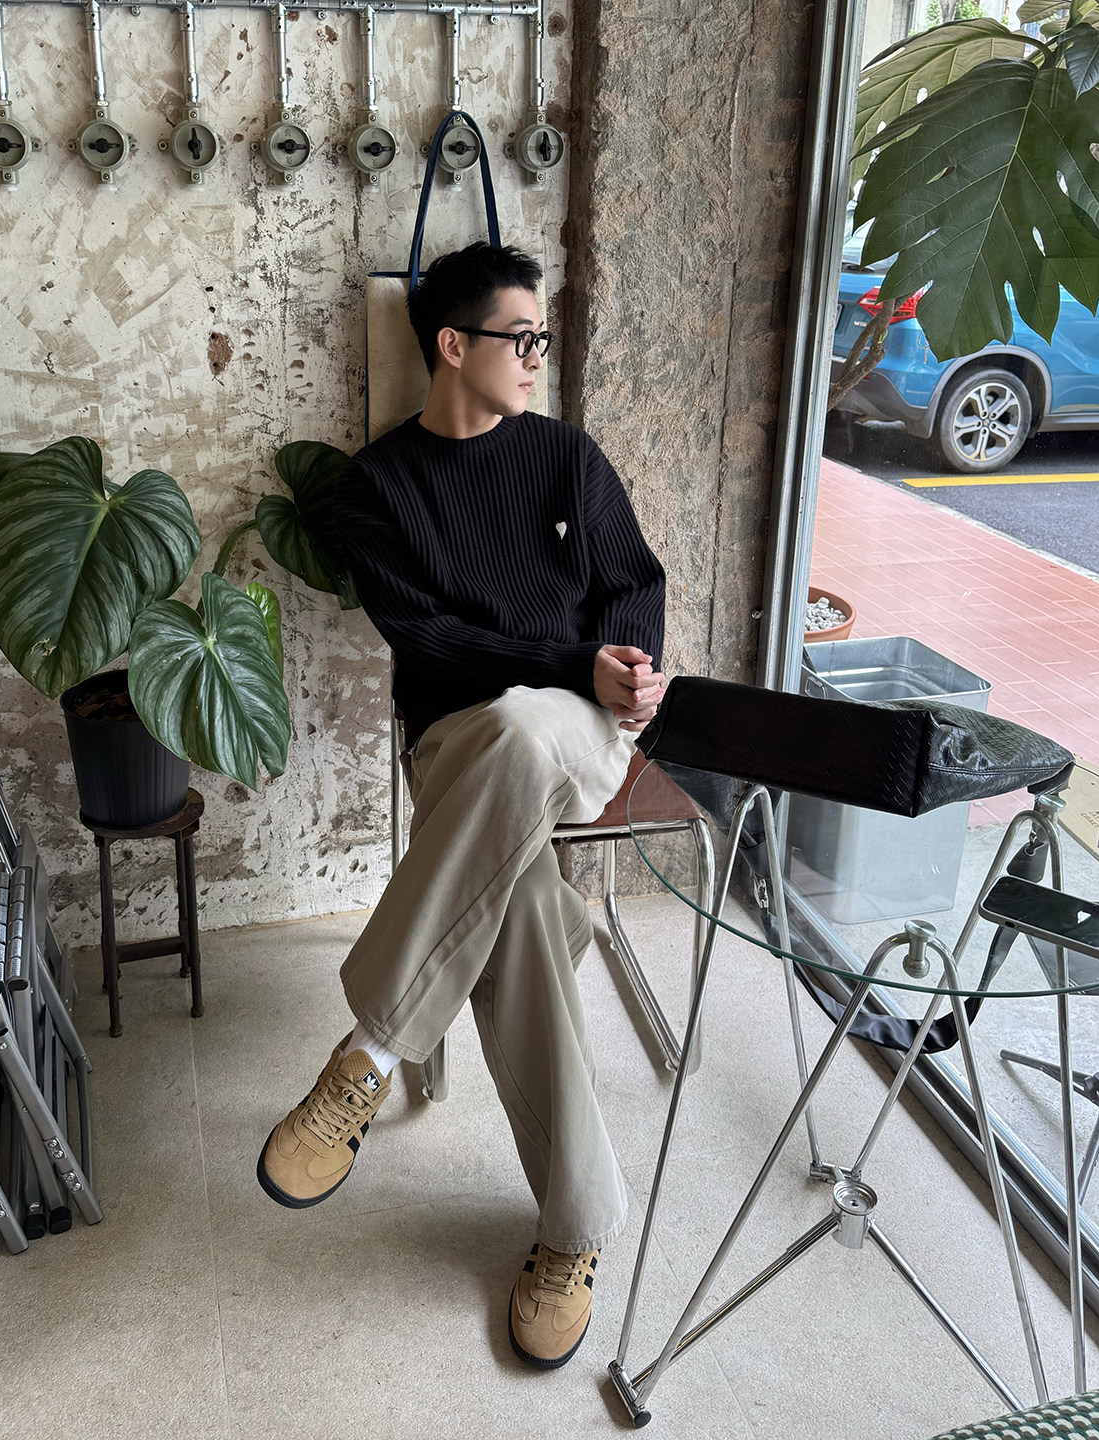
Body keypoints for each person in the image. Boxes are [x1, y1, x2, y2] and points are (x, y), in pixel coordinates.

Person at [257, 241, 666, 1370]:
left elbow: (635, 581)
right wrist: (565, 660)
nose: (537, 357)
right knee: (523, 910)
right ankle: (575, 1231)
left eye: (541, 339)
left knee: (531, 728)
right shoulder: (374, 489)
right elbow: (428, 641)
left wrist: (625, 666)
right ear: (452, 344)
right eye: (519, 338)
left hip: (579, 729)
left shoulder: (566, 458)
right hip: (455, 745)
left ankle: (372, 1050)